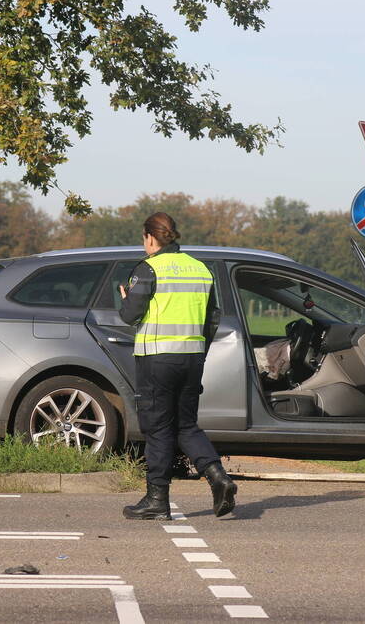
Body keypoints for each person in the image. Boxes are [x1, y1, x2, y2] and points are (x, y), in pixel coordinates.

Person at [119, 212, 237, 520]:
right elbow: (213, 318)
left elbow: (129, 315)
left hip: (157, 359)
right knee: (185, 425)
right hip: (192, 358)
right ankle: (218, 477)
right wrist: (199, 351)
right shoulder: (201, 269)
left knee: (158, 428)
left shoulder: (148, 269)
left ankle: (157, 499)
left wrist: (126, 298)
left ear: (150, 237)